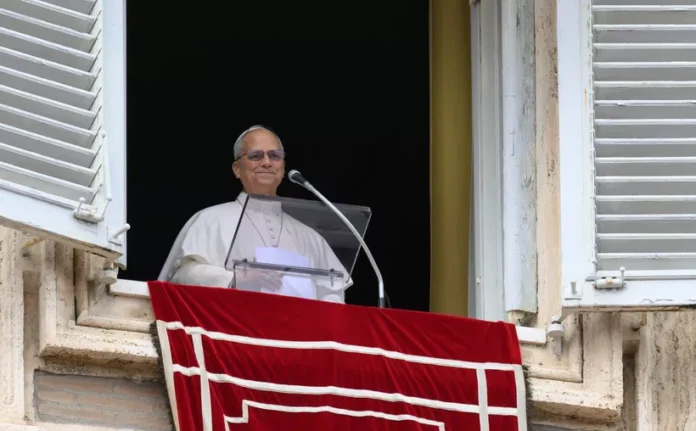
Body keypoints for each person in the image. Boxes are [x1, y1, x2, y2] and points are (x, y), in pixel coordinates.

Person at [158, 125, 352, 303]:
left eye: (275, 156)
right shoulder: (209, 220)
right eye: (255, 156)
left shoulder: (310, 237)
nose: (267, 162)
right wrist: (236, 279)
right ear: (237, 169)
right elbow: (181, 275)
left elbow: (332, 296)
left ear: (283, 167)